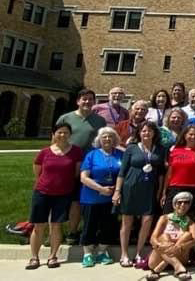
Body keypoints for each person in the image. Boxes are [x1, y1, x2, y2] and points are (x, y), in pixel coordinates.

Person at [26, 122, 83, 270]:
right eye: (60, 132)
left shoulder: (76, 152)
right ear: (54, 134)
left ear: (70, 135)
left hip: (63, 194)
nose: (63, 135)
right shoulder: (44, 152)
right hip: (42, 192)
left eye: (66, 132)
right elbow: (38, 172)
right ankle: (34, 257)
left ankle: (53, 256)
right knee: (38, 226)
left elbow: (76, 173)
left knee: (56, 225)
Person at [54, 88, 105, 243]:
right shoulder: (65, 118)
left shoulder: (99, 121)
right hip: (65, 162)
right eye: (84, 99)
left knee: (77, 200)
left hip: (87, 165)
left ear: (94, 102)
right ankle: (54, 232)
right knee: (58, 199)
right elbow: (55, 138)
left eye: (90, 99)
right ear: (78, 101)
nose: (87, 102)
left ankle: (72, 232)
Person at [115, 120, 166, 269]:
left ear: (154, 133)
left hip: (150, 188)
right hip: (130, 187)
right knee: (127, 221)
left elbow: (162, 173)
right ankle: (124, 254)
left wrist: (160, 191)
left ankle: (138, 252)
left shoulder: (160, 150)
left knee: (147, 220)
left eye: (150, 131)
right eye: (143, 131)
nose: (146, 133)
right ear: (139, 133)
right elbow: (122, 171)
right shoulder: (131, 148)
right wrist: (117, 191)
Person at [79, 127, 123, 267]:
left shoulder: (120, 155)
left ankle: (102, 252)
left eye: (110, 136)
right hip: (92, 195)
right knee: (90, 224)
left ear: (115, 139)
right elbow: (84, 177)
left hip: (112, 195)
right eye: (104, 136)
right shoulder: (92, 155)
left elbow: (123, 175)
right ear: (99, 139)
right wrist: (101, 189)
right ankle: (87, 253)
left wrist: (116, 190)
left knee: (108, 224)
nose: (107, 139)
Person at [146, 191, 195, 281]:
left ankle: (160, 268)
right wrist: (160, 245)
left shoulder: (191, 222)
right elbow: (153, 238)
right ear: (174, 205)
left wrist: (179, 247)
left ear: (189, 205)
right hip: (158, 259)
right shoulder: (164, 218)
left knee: (187, 235)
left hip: (181, 255)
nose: (183, 205)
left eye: (186, 202)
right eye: (180, 202)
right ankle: (178, 267)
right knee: (164, 237)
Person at [162, 125, 195, 219]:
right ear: (185, 135)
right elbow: (169, 173)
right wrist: (164, 191)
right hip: (174, 188)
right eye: (190, 134)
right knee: (169, 216)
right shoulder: (175, 150)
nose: (193, 137)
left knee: (190, 218)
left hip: (194, 189)